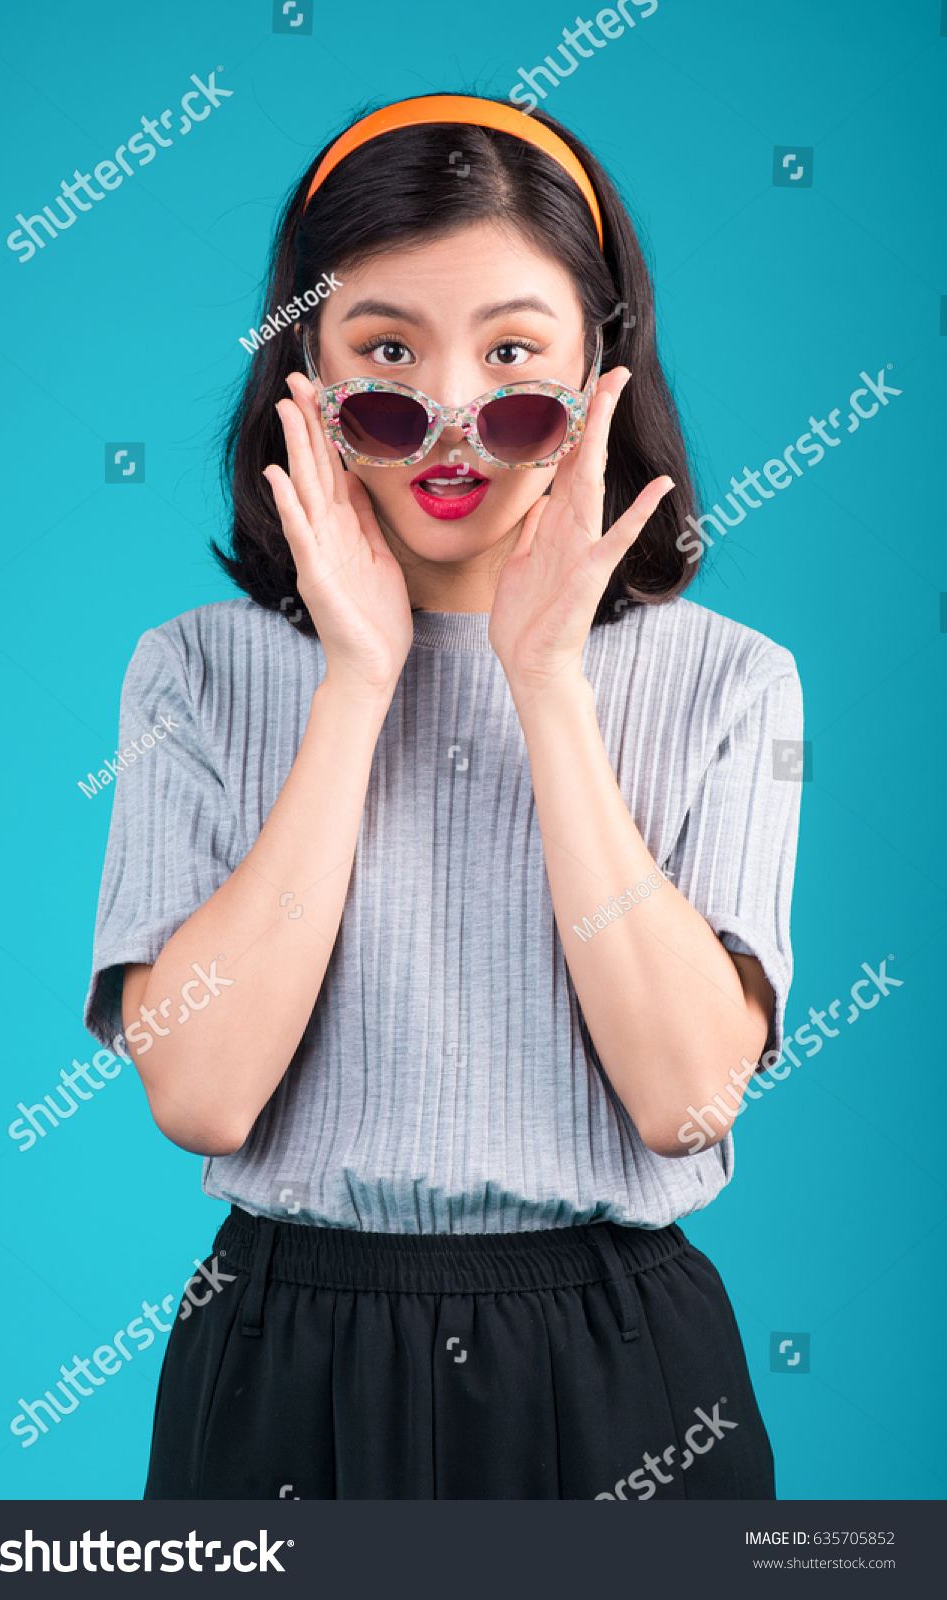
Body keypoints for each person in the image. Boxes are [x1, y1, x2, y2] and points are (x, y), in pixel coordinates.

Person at [85, 94, 803, 1501]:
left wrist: (547, 680)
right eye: (388, 353)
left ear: (601, 367)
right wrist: (357, 680)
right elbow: (206, 1093)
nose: (453, 422)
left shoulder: (733, 679)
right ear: (306, 369)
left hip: (618, 1361)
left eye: (513, 354)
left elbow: (687, 1098)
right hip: (282, 1359)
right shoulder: (193, 670)